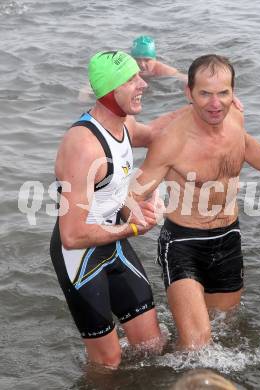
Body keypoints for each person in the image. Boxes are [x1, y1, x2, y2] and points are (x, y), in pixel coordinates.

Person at [129, 54, 260, 350]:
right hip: (183, 243)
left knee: (224, 332)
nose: (215, 104)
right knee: (197, 347)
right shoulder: (172, 140)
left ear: (233, 93)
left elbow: (246, 144)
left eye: (223, 93)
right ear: (189, 93)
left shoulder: (235, 116)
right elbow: (133, 194)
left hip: (228, 237)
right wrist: (139, 212)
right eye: (205, 94)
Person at [50, 50, 182, 368]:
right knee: (108, 363)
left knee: (152, 345)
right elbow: (71, 235)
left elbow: (155, 134)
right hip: (81, 258)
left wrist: (205, 105)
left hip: (114, 244)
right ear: (111, 91)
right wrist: (134, 226)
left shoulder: (124, 125)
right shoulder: (83, 146)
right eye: (132, 79)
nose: (143, 85)